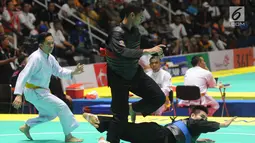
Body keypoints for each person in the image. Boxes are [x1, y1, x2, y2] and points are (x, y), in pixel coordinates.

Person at [103, 1, 166, 142]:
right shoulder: (116, 32)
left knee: (159, 97)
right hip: (118, 77)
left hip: (135, 74)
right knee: (120, 116)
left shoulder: (136, 31)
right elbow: (122, 51)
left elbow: (138, 47)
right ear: (132, 15)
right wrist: (148, 51)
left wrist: (155, 52)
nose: (142, 19)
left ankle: (134, 108)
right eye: (140, 16)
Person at [12, 32, 84, 142]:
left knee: (50, 114)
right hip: (34, 91)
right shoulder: (35, 58)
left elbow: (59, 71)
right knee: (62, 106)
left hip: (41, 92)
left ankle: (27, 126)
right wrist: (18, 95)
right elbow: (23, 75)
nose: (51, 46)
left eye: (52, 43)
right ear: (41, 45)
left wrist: (73, 72)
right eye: (48, 43)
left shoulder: (50, 58)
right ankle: (68, 136)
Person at [83, 105, 237, 143]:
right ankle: (100, 121)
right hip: (158, 134)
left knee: (127, 133)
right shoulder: (194, 123)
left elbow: (187, 137)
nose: (204, 120)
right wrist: (222, 124)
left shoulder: (193, 128)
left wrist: (199, 141)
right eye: (202, 116)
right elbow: (200, 125)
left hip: (158, 139)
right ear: (193, 115)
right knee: (128, 129)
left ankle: (102, 124)